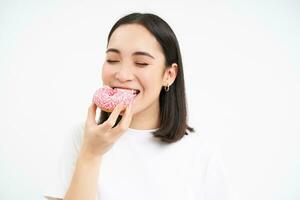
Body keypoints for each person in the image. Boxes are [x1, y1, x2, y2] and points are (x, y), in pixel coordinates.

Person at [44, 12, 230, 200]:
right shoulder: (82, 137)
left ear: (169, 75)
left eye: (141, 63)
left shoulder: (200, 153)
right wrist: (91, 154)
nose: (123, 75)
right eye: (112, 60)